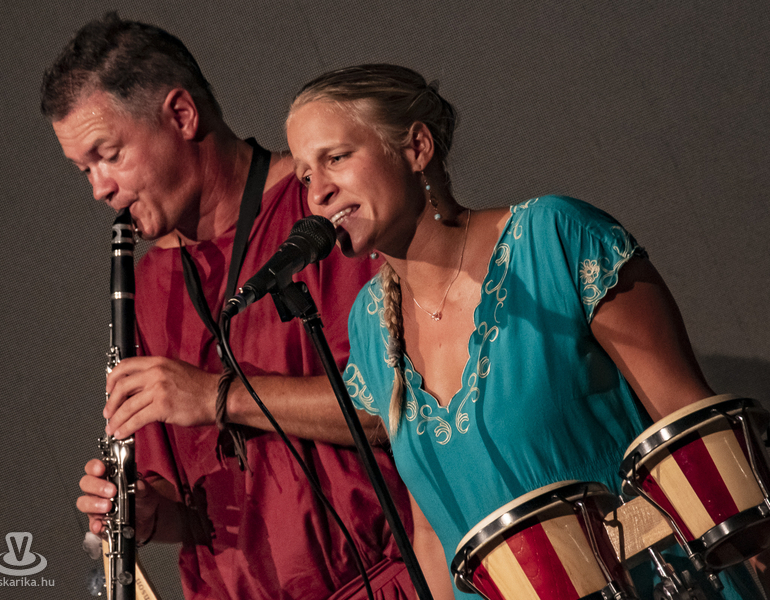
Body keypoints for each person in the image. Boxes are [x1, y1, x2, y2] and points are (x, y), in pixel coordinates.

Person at [285, 64, 769, 599]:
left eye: (335, 158)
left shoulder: (556, 238)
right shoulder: (370, 324)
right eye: (305, 176)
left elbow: (692, 425)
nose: (317, 194)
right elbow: (432, 532)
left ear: (417, 147)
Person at [41, 16, 417, 600]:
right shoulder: (149, 285)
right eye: (84, 169)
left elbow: (393, 407)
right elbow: (198, 513)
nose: (100, 188)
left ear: (182, 115)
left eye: (108, 155)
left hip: (385, 583)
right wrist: (151, 515)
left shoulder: (324, 213)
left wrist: (218, 395)